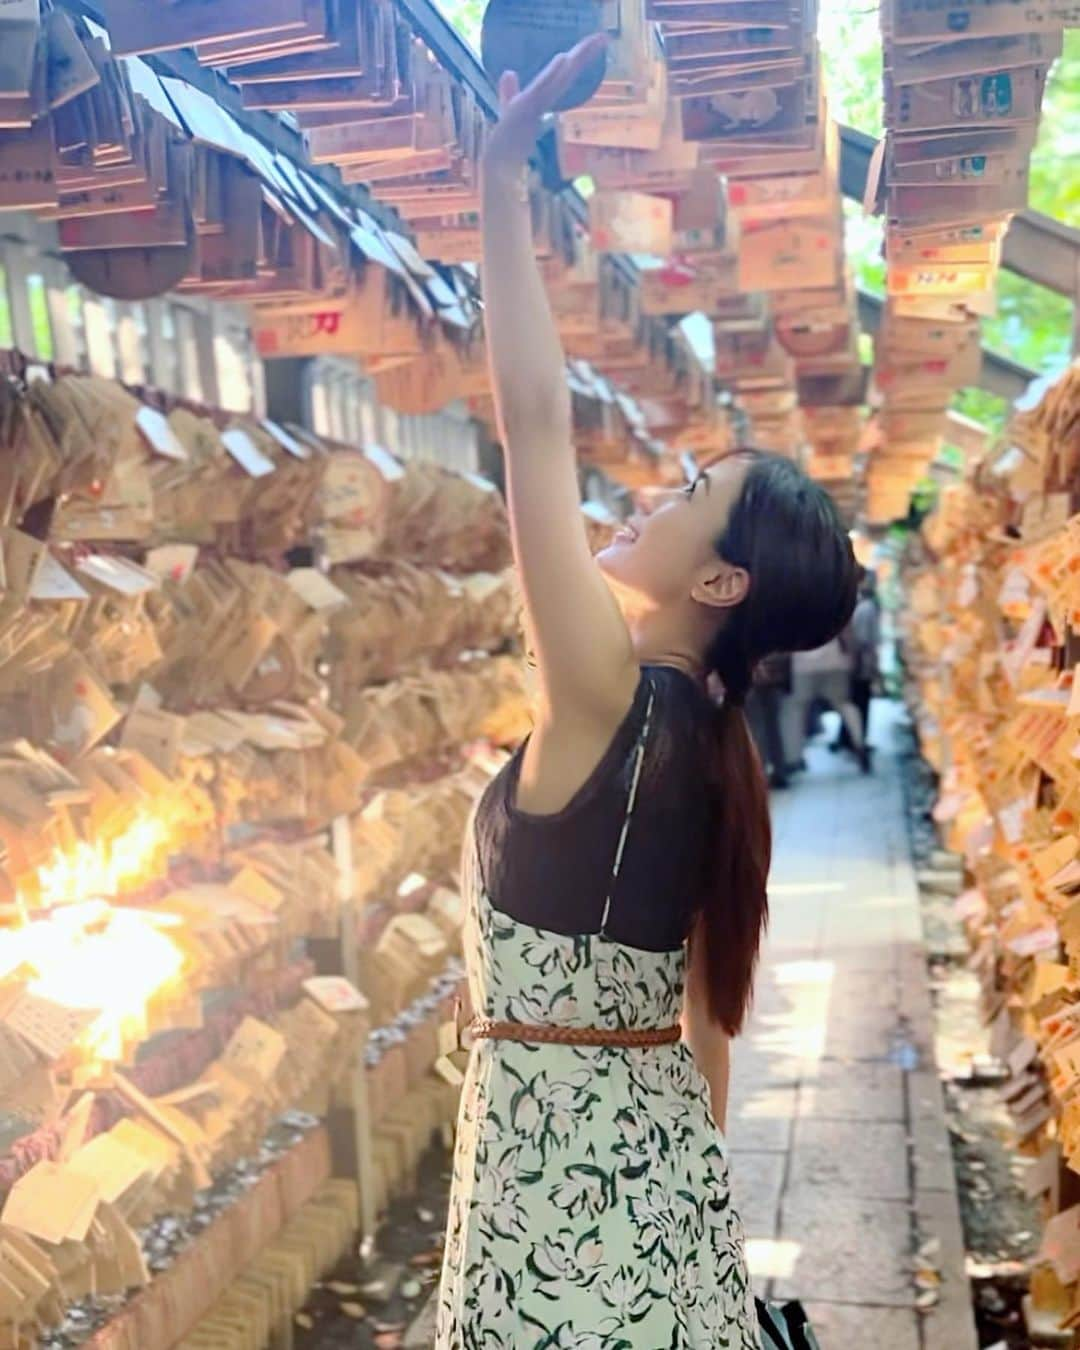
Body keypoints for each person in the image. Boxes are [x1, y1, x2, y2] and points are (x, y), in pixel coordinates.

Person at [435, 36, 859, 1348]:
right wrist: (670, 1225)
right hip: (659, 1209)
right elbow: (708, 1033)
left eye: (690, 497)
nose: (652, 496)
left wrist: (501, 179)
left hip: (549, 1215)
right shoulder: (715, 752)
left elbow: (536, 422)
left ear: (720, 587)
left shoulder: (611, 697)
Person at [786, 628, 869, 773]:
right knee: (844, 704)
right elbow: (846, 630)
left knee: (797, 710)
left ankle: (794, 757)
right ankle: (860, 745)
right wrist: (851, 656)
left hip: (802, 662)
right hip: (834, 658)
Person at [832, 570, 881, 756]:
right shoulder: (866, 607)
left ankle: (848, 739)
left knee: (853, 700)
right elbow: (864, 640)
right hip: (861, 663)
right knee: (860, 702)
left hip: (855, 662)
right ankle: (855, 740)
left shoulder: (855, 604)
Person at [747, 651, 792, 789]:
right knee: (773, 727)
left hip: (750, 676)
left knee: (757, 728)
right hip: (772, 674)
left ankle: (761, 774)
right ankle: (779, 771)